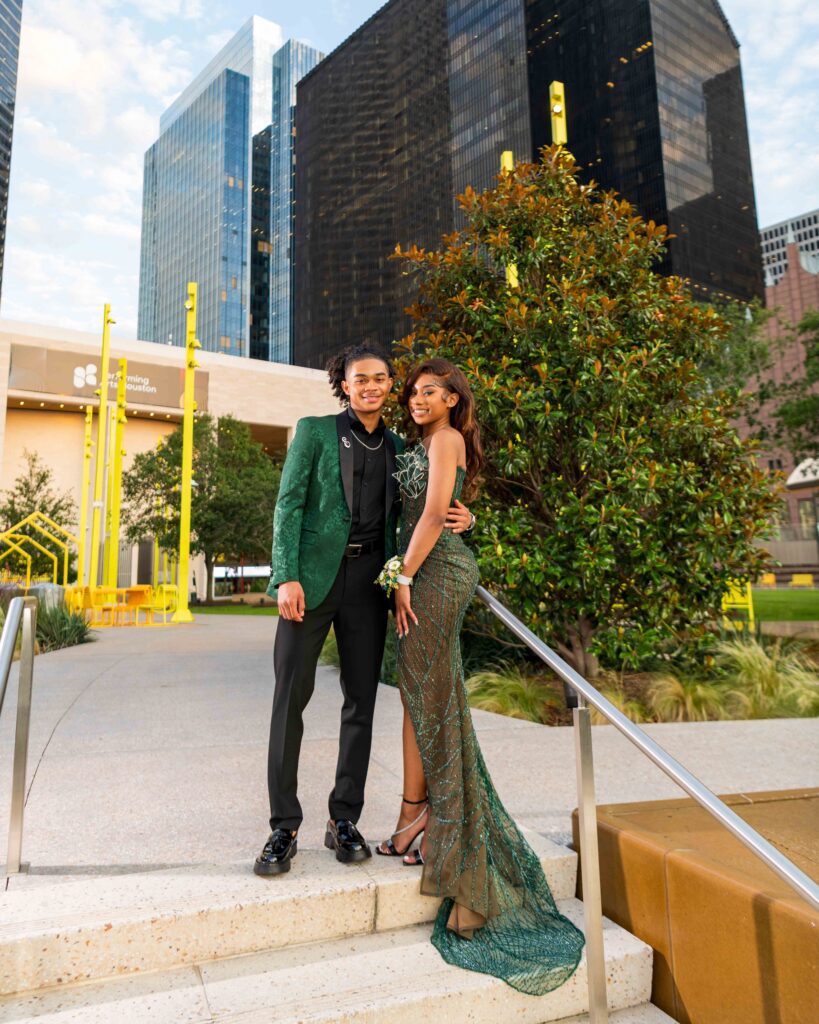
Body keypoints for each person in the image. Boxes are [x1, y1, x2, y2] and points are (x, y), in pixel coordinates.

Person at [376, 357, 584, 995]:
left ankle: (450, 842)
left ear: (453, 398)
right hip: (422, 567)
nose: (417, 399)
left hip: (433, 574)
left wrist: (403, 575)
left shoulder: (447, 439)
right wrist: (443, 534)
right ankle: (414, 815)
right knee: (418, 696)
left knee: (435, 699)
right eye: (413, 393)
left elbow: (434, 515)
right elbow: (440, 509)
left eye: (429, 392)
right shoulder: (422, 443)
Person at [255, 345, 474, 876]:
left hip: (370, 586)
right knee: (289, 700)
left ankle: (344, 818)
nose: (371, 386)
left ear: (388, 384)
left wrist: (467, 519)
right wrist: (285, 575)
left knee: (361, 704)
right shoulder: (313, 432)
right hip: (310, 582)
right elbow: (288, 504)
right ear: (345, 385)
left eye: (380, 378)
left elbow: (425, 507)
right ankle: (283, 826)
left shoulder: (401, 446)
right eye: (361, 379)